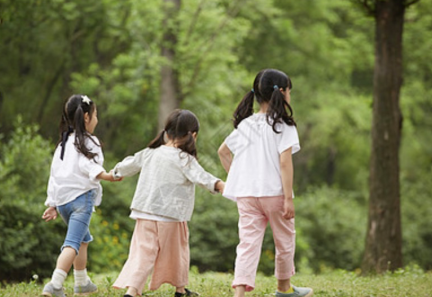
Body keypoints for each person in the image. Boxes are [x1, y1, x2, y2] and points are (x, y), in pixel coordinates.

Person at [218, 69, 313, 297]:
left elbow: (223, 152)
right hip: (275, 194)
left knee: (247, 244)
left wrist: (239, 178)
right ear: (281, 92)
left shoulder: (246, 125)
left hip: (247, 196)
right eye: (289, 91)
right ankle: (284, 289)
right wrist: (289, 198)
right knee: (284, 241)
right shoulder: (283, 125)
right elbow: (284, 163)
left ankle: (239, 294)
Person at [111, 109, 225, 297]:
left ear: (167, 132)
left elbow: (130, 164)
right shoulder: (184, 158)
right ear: (193, 135)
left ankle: (132, 291)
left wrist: (115, 173)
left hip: (145, 212)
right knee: (177, 252)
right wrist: (220, 185)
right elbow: (201, 177)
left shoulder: (150, 152)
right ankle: (180, 290)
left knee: (142, 254)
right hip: (172, 216)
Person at [41, 94, 119, 297]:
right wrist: (107, 176)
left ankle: (82, 282)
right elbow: (89, 166)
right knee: (73, 243)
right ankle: (55, 284)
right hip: (81, 201)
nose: (97, 119)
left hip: (64, 203)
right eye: (95, 114)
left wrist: (52, 203)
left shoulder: (62, 145)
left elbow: (54, 175)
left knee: (83, 240)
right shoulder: (88, 141)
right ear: (86, 117)